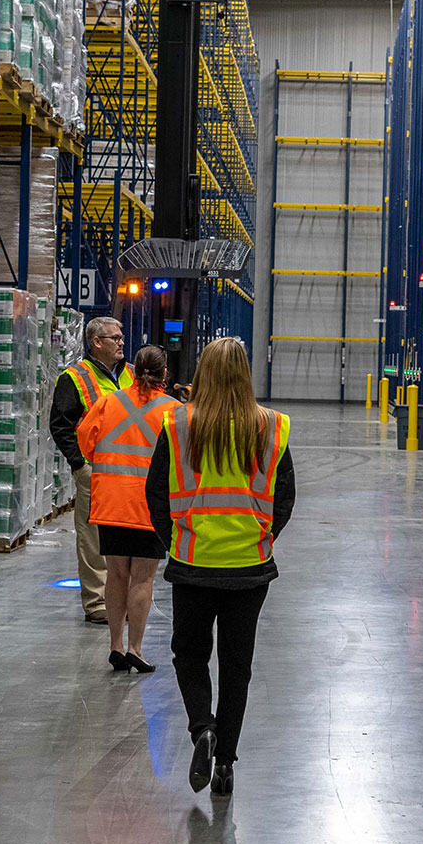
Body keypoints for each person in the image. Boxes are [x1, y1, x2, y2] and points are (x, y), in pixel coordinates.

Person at [146, 337, 295, 797]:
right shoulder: (271, 426)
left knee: (189, 654)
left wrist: (176, 541)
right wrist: (262, 538)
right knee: (237, 665)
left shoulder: (178, 423)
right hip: (249, 567)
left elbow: (154, 494)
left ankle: (202, 729)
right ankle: (225, 762)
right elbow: (284, 498)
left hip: (193, 562)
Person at [77, 344, 178, 672]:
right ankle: (136, 647)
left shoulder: (109, 402)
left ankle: (116, 645)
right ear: (165, 374)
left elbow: (84, 439)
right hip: (150, 507)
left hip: (111, 503)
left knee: (116, 574)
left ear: (133, 371)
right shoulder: (174, 411)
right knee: (143, 579)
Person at [49, 316, 134, 624]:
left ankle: (120, 600)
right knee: (93, 538)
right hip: (95, 470)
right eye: (115, 338)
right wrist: (79, 465)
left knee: (126, 538)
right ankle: (97, 602)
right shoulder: (75, 377)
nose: (121, 342)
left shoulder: (132, 376)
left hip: (130, 471)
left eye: (121, 336)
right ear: (97, 342)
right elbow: (61, 425)